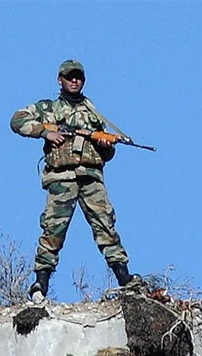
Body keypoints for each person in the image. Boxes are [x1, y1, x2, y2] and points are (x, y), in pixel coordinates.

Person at [10, 59, 139, 300]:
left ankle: (124, 277)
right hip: (62, 177)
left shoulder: (93, 113)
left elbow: (107, 154)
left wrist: (105, 145)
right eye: (70, 77)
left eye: (78, 77)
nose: (74, 81)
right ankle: (40, 282)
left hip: (90, 177)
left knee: (105, 226)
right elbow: (17, 120)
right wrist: (46, 132)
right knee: (53, 229)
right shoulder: (48, 109)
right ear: (60, 80)